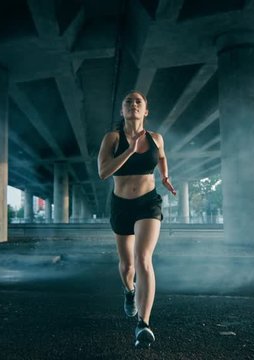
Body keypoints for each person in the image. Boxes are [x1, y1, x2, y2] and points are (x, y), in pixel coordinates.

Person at [97, 90, 176, 348]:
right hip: (121, 205)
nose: (133, 105)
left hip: (148, 203)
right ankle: (129, 292)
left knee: (144, 259)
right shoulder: (112, 138)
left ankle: (143, 324)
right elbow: (103, 172)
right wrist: (130, 150)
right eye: (128, 102)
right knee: (127, 266)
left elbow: (162, 157)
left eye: (138, 102)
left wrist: (165, 176)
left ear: (146, 110)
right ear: (123, 111)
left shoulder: (156, 138)